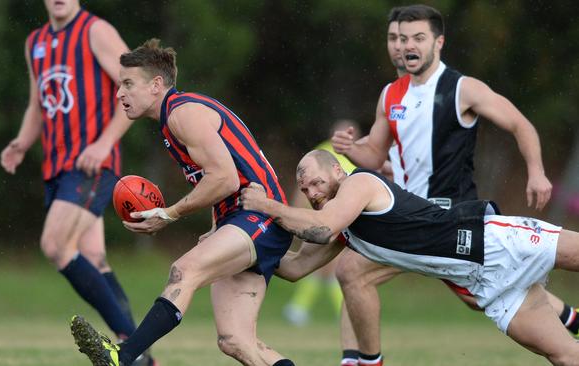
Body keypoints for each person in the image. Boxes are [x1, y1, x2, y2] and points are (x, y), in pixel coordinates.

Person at [331, 4, 578, 366]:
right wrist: (353, 149)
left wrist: (537, 171)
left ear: (439, 42)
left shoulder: (462, 89)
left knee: (355, 270)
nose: (404, 46)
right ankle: (359, 359)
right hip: (405, 214)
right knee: (354, 271)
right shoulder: (391, 95)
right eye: (396, 38)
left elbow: (519, 123)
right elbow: (373, 152)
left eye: (416, 37)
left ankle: (364, 361)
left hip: (450, 216)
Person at [69, 38, 296, 366]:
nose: (119, 93)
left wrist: (169, 213)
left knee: (183, 271)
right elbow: (222, 180)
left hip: (261, 217)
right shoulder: (174, 118)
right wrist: (217, 226)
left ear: (156, 85)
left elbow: (226, 178)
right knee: (235, 340)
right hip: (241, 219)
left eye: (128, 84)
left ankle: (123, 356)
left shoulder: (182, 114)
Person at [241, 149, 579, 366]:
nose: (312, 194)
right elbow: (296, 267)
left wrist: (266, 206)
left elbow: (321, 228)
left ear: (337, 172)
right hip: (487, 285)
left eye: (316, 183)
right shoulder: (345, 227)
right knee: (565, 355)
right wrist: (241, 247)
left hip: (493, 239)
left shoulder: (358, 184)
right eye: (305, 191)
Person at [0, 1, 155, 365]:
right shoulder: (35, 42)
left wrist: (103, 144)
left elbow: (135, 86)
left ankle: (132, 349)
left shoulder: (95, 31)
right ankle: (142, 358)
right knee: (93, 258)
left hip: (90, 166)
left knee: (55, 244)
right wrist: (23, 142)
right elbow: (38, 103)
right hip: (58, 167)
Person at [282, 120, 358, 327]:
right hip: (329, 216)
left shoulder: (357, 153)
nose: (346, 137)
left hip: (346, 215)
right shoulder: (323, 153)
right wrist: (300, 216)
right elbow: (306, 187)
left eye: (350, 133)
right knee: (328, 266)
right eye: (341, 133)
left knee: (326, 267)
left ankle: (299, 308)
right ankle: (342, 310)